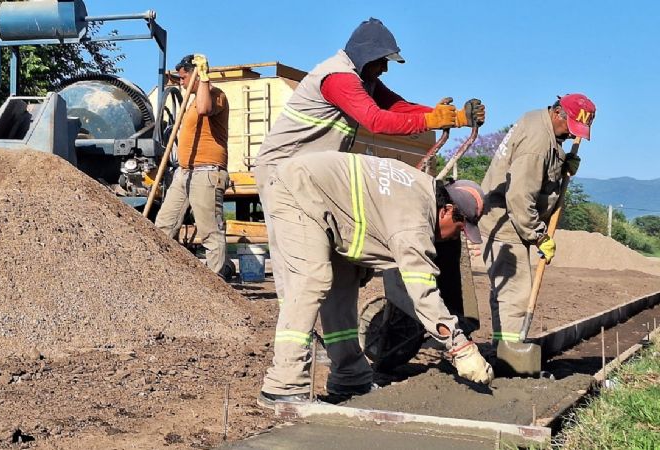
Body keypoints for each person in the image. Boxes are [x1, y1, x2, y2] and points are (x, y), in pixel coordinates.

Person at [253, 17, 485, 306]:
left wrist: (456, 118)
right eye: (382, 61)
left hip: (312, 178)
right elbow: (375, 120)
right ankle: (295, 325)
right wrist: (430, 120)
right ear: (366, 55)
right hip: (282, 172)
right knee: (296, 259)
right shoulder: (338, 78)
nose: (385, 68)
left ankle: (334, 326)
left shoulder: (365, 81)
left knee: (334, 257)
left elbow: (398, 107)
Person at [257, 152, 493, 408]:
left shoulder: (420, 191)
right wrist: (460, 347)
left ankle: (350, 377)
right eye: (459, 229)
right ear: (446, 210)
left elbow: (370, 215)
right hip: (298, 190)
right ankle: (283, 385)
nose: (454, 237)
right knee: (310, 280)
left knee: (343, 285)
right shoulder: (414, 220)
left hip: (326, 200)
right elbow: (422, 292)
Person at [479, 93, 595, 347]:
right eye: (570, 127)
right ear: (557, 113)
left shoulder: (538, 121)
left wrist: (561, 164)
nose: (571, 134)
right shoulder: (538, 144)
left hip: (508, 218)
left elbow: (537, 172)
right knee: (515, 294)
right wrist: (539, 235)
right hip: (507, 221)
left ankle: (501, 349)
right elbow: (520, 196)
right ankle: (511, 357)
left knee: (505, 290)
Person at [154, 54, 231, 278]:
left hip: (206, 172)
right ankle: (163, 277)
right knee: (163, 225)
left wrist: (204, 77)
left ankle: (217, 283)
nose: (181, 82)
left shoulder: (216, 96)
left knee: (210, 231)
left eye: (184, 77)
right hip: (185, 172)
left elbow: (205, 109)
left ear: (196, 75)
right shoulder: (191, 101)